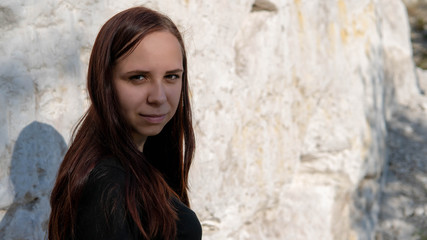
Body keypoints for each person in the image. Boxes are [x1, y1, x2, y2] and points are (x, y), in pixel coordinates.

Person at [48, 6, 202, 240]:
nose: (158, 97)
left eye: (171, 76)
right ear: (104, 82)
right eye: (138, 77)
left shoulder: (143, 163)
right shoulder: (109, 185)